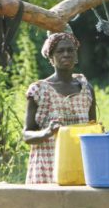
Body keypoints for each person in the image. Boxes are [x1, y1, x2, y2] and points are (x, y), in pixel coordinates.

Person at [23, 32, 96, 184]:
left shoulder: (86, 89)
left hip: (78, 166)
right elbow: (26, 136)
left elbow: (92, 128)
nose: (66, 54)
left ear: (76, 56)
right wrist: (47, 132)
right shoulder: (38, 90)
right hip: (47, 168)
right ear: (51, 58)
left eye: (70, 50)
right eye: (60, 51)